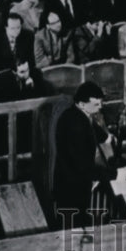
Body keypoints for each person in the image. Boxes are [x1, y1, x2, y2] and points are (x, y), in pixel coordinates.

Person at [53, 81, 117, 226]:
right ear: (82, 104)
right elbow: (83, 168)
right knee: (74, 222)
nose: (100, 107)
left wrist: (106, 137)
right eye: (96, 104)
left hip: (73, 176)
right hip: (72, 184)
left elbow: (92, 126)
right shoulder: (76, 127)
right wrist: (112, 175)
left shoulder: (77, 113)